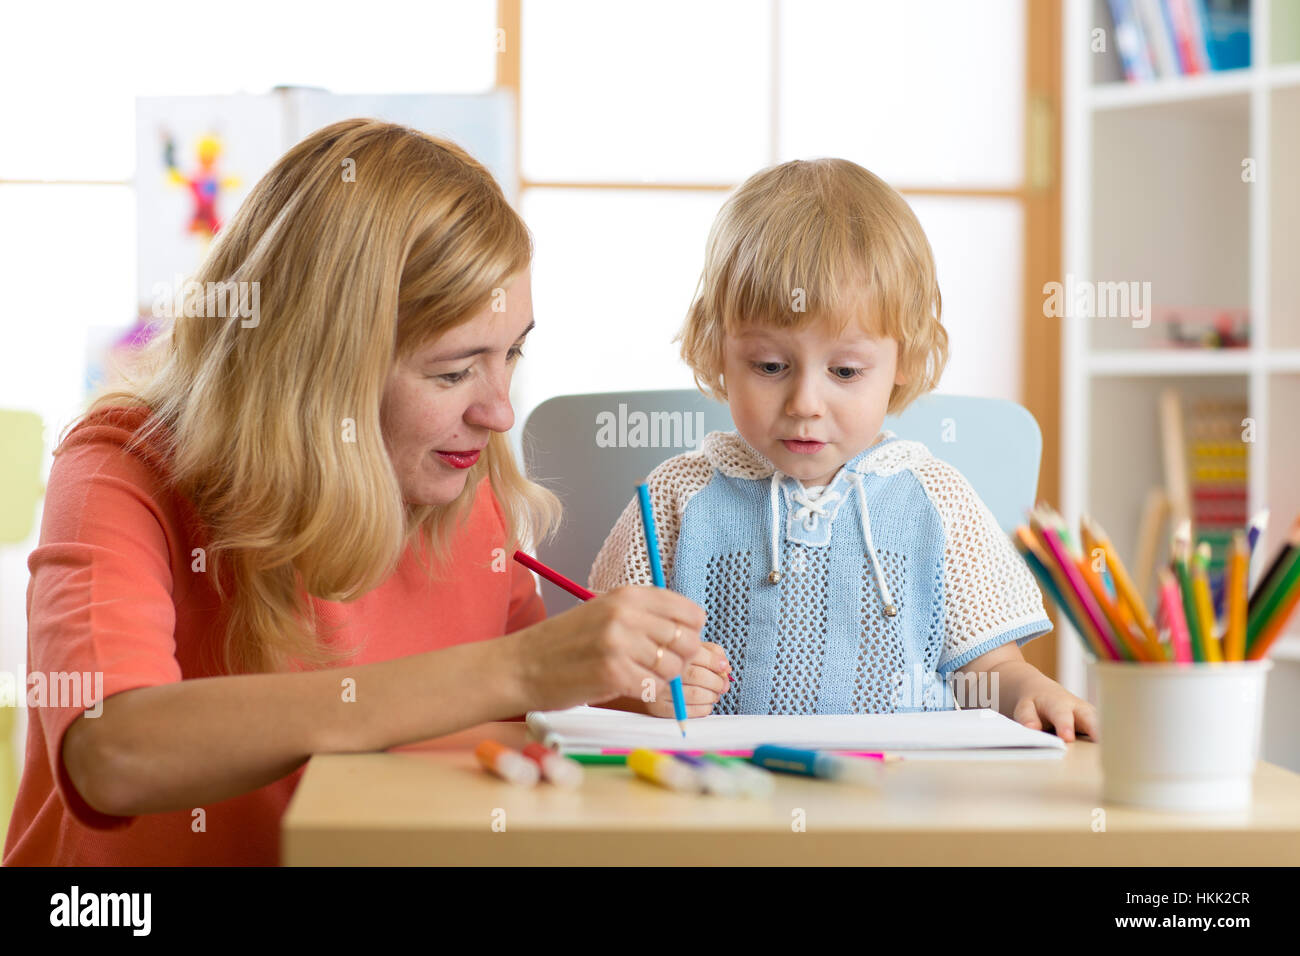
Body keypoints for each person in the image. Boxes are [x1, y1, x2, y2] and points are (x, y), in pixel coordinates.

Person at [3, 119, 707, 866]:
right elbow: (112, 751)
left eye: (512, 353)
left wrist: (626, 691)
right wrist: (526, 666)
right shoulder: (121, 467)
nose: (499, 412)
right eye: (452, 371)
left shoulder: (467, 487)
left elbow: (515, 731)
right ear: (315, 368)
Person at [588, 158, 1099, 740]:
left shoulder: (936, 499)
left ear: (902, 358)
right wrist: (647, 689)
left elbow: (991, 671)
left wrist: (1031, 690)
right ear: (717, 348)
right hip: (723, 796)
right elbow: (595, 668)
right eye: (771, 366)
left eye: (847, 371)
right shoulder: (676, 498)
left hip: (899, 802)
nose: (805, 401)